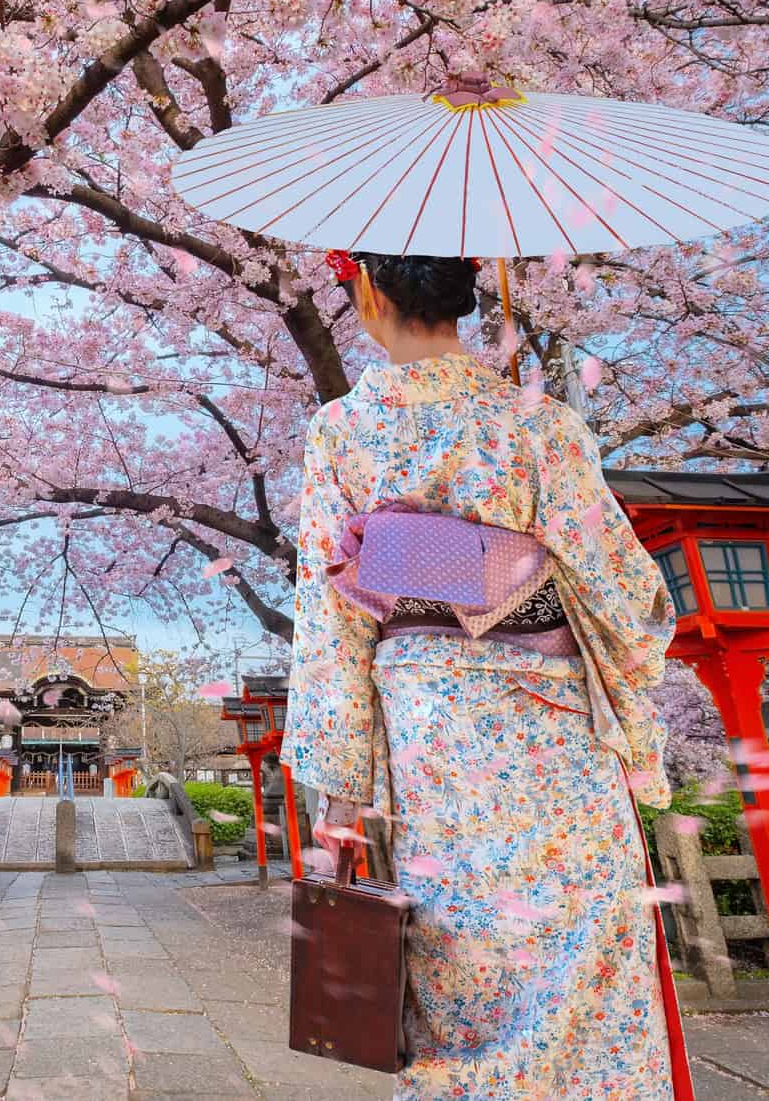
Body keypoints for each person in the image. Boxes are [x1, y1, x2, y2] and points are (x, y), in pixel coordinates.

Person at [282, 252, 681, 1098]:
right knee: (583, 964)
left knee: (463, 969)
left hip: (436, 738)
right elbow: (628, 598)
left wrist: (341, 788)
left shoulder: (342, 431)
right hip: (555, 731)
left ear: (369, 292)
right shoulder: (542, 426)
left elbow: (332, 615)